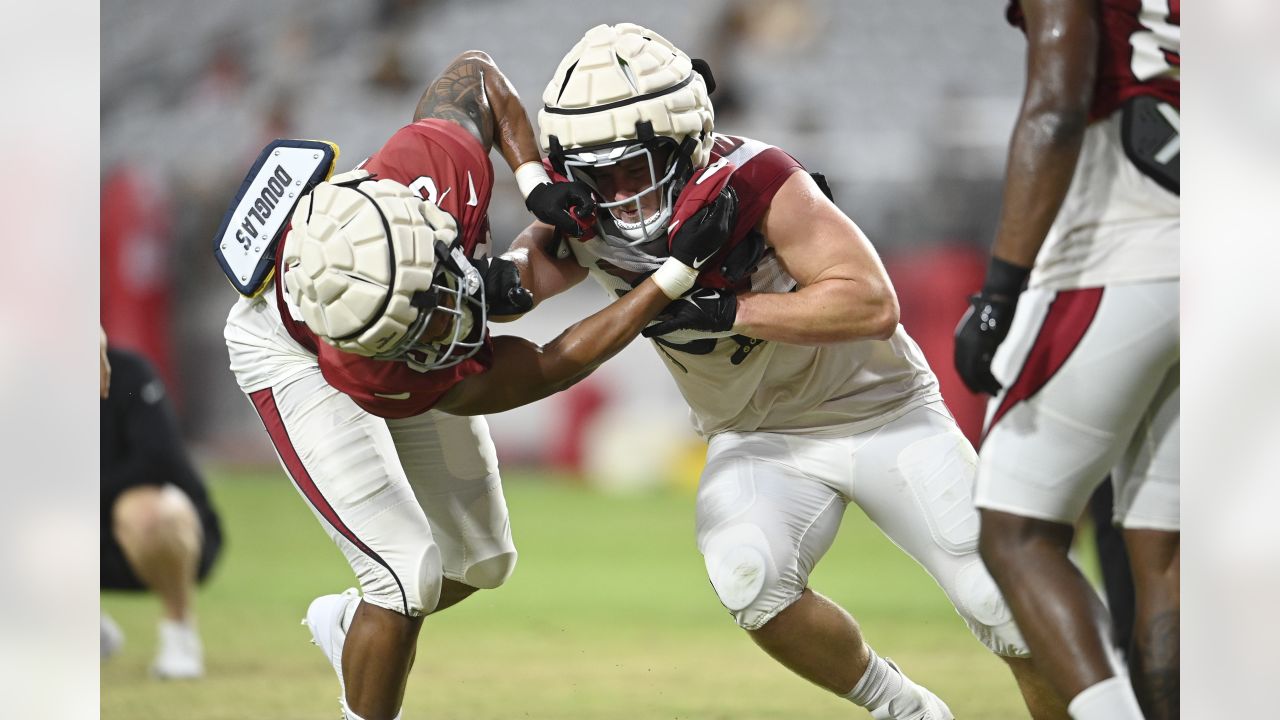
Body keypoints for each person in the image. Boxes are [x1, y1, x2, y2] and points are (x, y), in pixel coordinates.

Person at [497, 22, 1068, 720]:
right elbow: (514, 286)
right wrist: (487, 264)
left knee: (1003, 607)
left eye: (633, 166)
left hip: (882, 413)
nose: (616, 192)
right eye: (595, 171)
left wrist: (730, 311)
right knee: (748, 575)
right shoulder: (584, 218)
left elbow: (871, 301)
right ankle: (906, 710)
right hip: (757, 437)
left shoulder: (760, 180)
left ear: (684, 144)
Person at [222, 50, 736, 720]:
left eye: (439, 293)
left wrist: (533, 180)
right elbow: (550, 363)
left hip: (379, 301)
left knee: (482, 560)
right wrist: (670, 278)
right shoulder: (379, 370)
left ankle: (354, 628)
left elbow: (479, 77)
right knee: (404, 577)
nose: (448, 319)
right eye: (423, 321)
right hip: (289, 353)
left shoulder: (433, 166)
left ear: (427, 226)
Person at [952, 1, 1179, 718]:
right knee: (1169, 562)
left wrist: (1000, 290)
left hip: (1122, 248)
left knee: (1015, 532)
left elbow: (1055, 106)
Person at [101, 343, 224, 679]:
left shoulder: (127, 372)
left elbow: (158, 458)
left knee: (147, 514)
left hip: (164, 534)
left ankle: (179, 632)